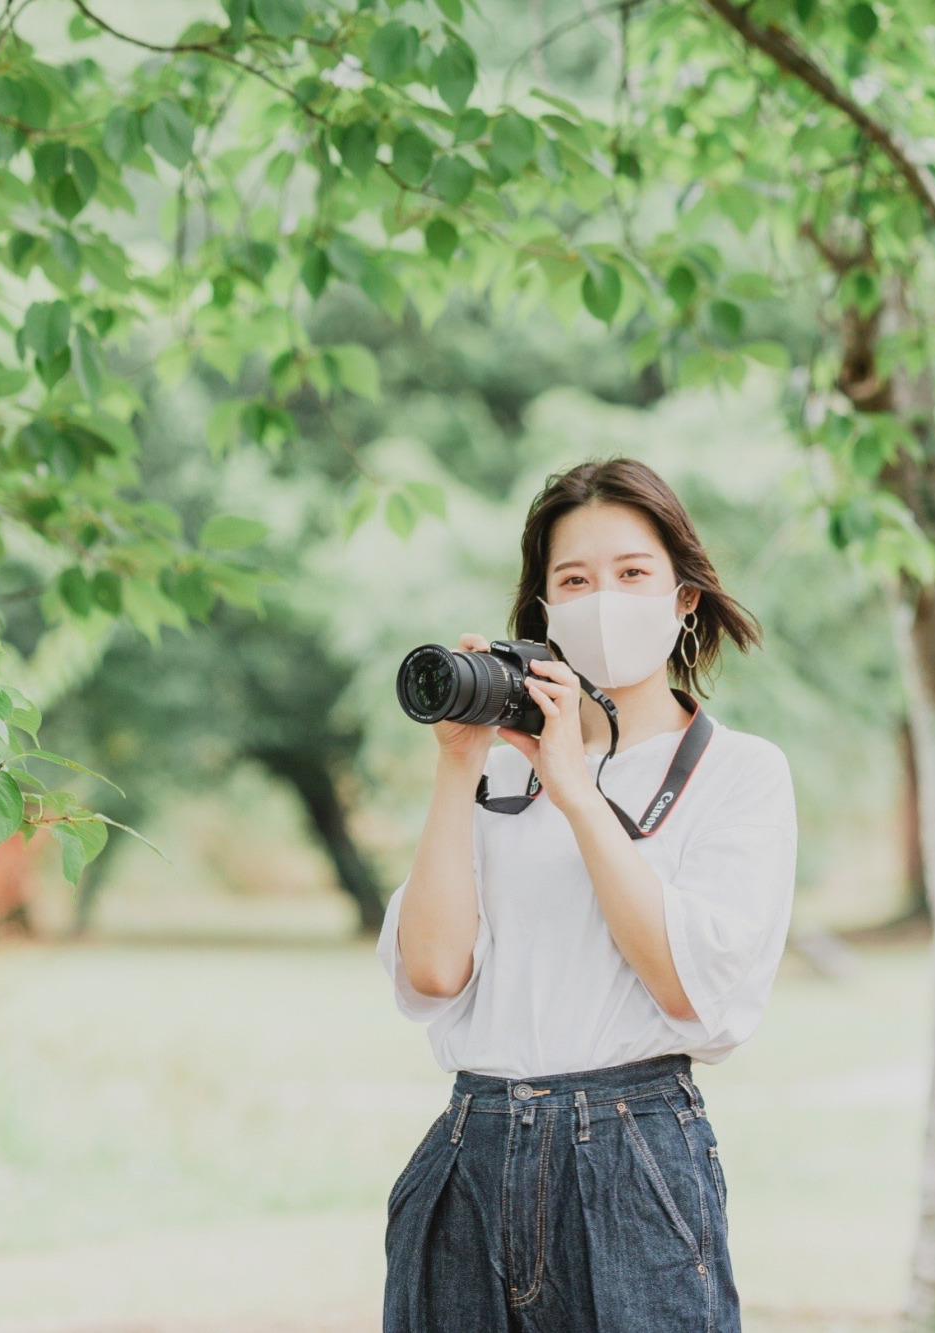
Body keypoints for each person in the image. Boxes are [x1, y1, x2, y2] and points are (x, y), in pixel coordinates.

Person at [376, 457, 799, 1332]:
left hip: (631, 1151)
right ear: (543, 609)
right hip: (471, 1143)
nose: (602, 597)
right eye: (573, 578)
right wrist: (459, 764)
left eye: (632, 572)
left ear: (683, 596)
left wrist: (573, 785)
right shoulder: (493, 771)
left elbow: (688, 983)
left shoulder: (741, 773)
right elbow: (432, 971)